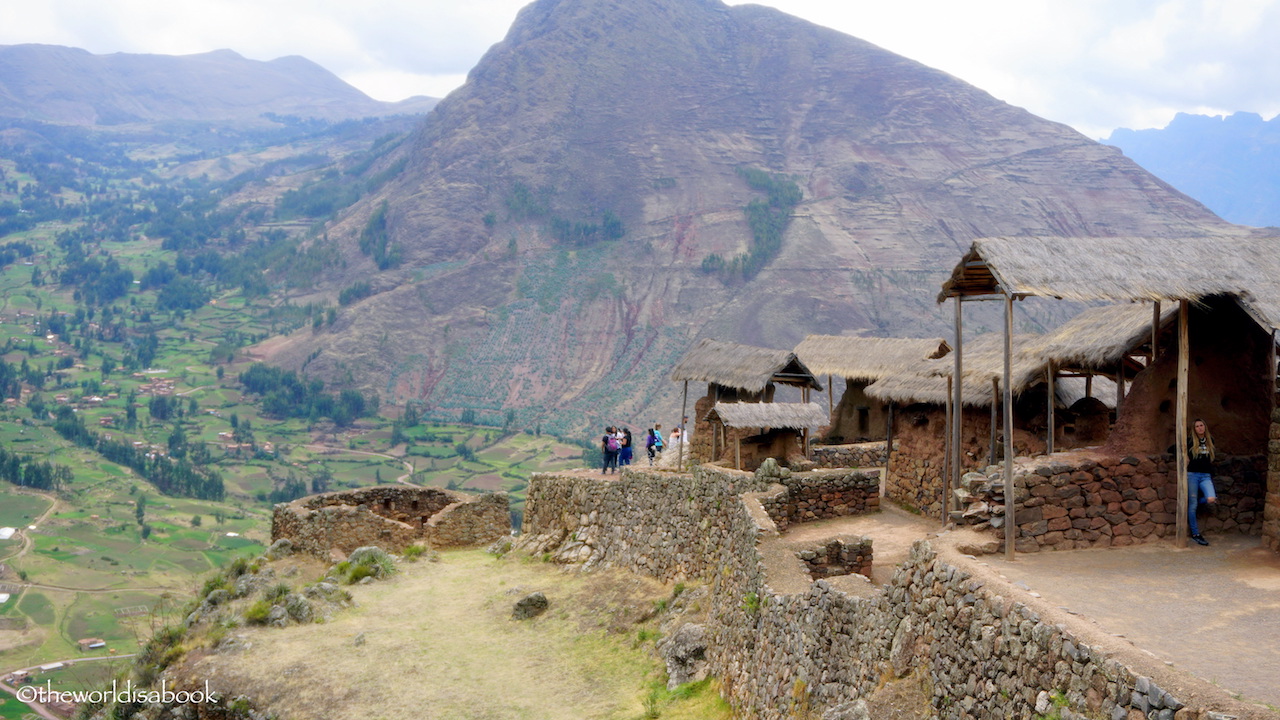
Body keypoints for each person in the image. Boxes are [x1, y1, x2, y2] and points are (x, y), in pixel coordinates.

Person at [1186, 418, 1218, 546]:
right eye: (1197, 426)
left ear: (1205, 426)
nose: (1200, 428)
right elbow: (1173, 448)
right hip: (1192, 475)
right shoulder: (1190, 441)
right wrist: (1185, 457)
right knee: (1192, 505)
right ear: (1194, 429)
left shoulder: (1211, 440)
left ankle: (1199, 500)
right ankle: (1195, 533)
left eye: (1201, 425)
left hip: (1205, 476)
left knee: (1211, 498)